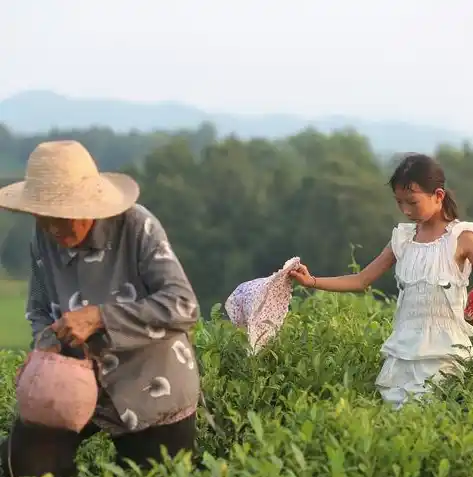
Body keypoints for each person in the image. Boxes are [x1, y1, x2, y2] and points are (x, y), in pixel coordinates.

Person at [0, 140, 201, 477]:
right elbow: (38, 310)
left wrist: (100, 317)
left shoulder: (137, 227)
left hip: (150, 386)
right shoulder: (43, 238)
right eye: (45, 216)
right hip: (73, 385)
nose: (54, 227)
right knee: (22, 462)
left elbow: (183, 305)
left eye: (65, 216)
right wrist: (45, 353)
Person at [289, 153, 473, 409]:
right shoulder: (404, 239)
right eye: (399, 202)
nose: (406, 210)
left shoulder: (461, 237)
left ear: (438, 196)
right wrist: (313, 281)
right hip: (403, 352)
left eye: (412, 202)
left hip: (445, 353)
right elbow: (362, 279)